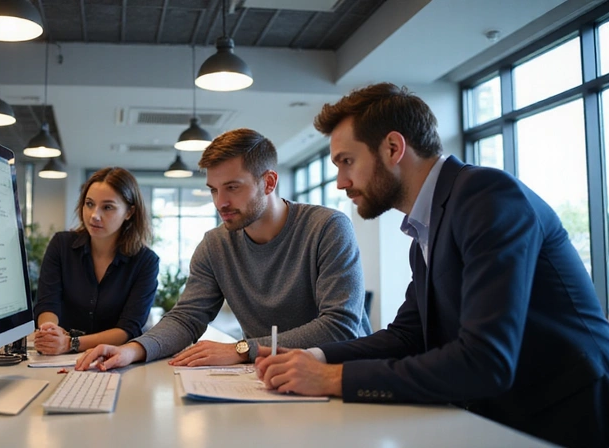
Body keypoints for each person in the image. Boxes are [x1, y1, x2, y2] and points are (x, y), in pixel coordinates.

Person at [255, 83, 609, 448]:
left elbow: (486, 360)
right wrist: (312, 356)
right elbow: (407, 337)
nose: (342, 181)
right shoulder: (429, 226)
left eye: (347, 161)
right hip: (506, 416)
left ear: (393, 148)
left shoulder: (486, 197)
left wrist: (332, 378)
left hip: (564, 418)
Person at [75, 128, 371, 371]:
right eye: (214, 189)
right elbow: (186, 318)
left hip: (339, 376)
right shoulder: (215, 245)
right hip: (273, 378)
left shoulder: (328, 228)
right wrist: (133, 350)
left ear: (268, 182)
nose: (220, 202)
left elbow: (340, 327)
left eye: (233, 187)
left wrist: (243, 349)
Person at [33, 167, 159, 355]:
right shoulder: (61, 245)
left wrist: (70, 343)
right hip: (57, 358)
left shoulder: (145, 262)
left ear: (129, 212)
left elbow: (128, 328)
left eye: (107, 207)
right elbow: (47, 303)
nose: (94, 215)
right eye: (89, 204)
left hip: (112, 360)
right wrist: (50, 331)